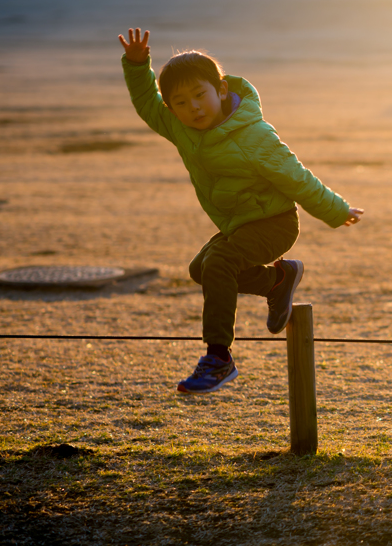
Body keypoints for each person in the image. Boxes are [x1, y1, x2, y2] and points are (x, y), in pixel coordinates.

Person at [118, 28, 363, 394]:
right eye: (181, 102)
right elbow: (147, 103)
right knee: (200, 269)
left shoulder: (254, 135)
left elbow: (298, 179)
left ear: (220, 90)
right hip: (239, 224)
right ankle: (276, 281)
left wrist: (335, 210)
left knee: (219, 265)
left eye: (200, 95)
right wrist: (138, 66)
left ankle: (219, 359)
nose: (194, 107)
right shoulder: (180, 126)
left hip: (274, 223)